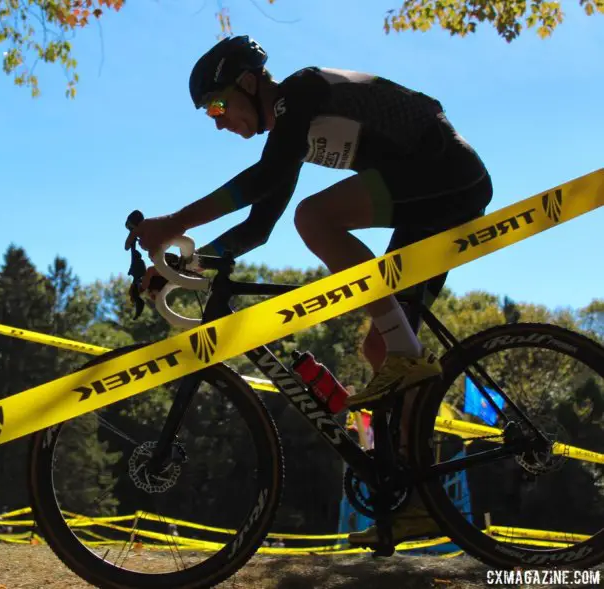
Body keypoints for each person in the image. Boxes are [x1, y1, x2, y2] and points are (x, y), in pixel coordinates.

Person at [124, 35, 493, 545]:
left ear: (249, 82)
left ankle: (410, 354)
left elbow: (263, 179)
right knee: (378, 345)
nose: (215, 120)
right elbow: (257, 228)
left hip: (447, 173)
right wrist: (182, 262)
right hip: (433, 189)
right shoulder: (290, 130)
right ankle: (421, 505)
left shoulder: (299, 93)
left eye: (216, 103)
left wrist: (173, 223)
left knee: (315, 217)